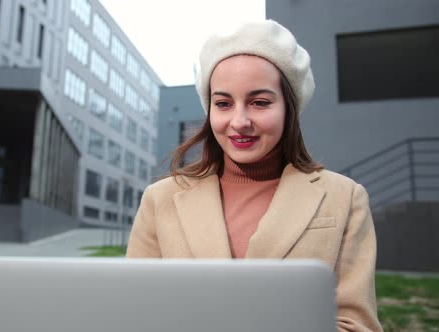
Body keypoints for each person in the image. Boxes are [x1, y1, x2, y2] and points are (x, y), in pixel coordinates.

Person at [126, 20, 382, 331]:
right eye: (223, 103)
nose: (239, 121)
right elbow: (136, 315)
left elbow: (356, 324)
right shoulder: (159, 199)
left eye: (259, 103)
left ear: (289, 108)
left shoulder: (345, 198)